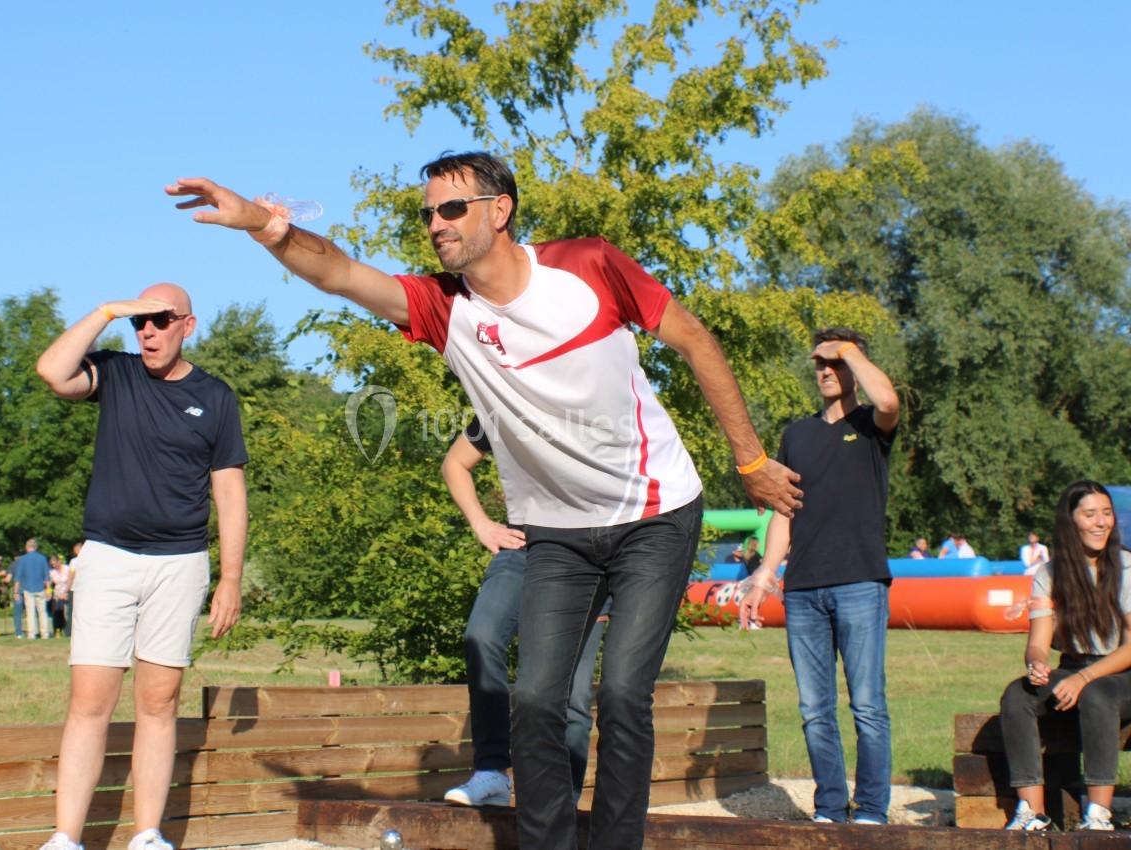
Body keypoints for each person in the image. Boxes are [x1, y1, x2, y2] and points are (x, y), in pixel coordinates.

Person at [167, 154, 801, 850]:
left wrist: (751, 460)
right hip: (557, 533)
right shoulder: (444, 308)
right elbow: (339, 273)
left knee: (623, 693)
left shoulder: (589, 265)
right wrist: (263, 226)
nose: (435, 225)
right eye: (428, 214)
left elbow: (695, 340)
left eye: (451, 209)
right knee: (535, 699)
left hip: (654, 513)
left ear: (500, 210)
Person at [34, 281, 248, 850]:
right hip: (108, 558)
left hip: (180, 563)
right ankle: (66, 838)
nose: (148, 332)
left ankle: (147, 835)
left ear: (188, 326)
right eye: (140, 322)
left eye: (161, 321)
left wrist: (230, 578)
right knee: (90, 702)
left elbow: (229, 491)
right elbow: (53, 372)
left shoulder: (215, 397)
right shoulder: (116, 372)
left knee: (158, 703)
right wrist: (107, 312)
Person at [739, 327, 900, 825]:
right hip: (804, 589)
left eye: (837, 363)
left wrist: (846, 349)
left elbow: (888, 399)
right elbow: (784, 512)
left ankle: (871, 810)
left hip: (860, 582)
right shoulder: (797, 435)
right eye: (820, 363)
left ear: (855, 365)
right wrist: (764, 576)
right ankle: (830, 807)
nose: (826, 370)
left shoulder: (871, 426)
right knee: (814, 710)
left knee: (867, 705)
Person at [441, 417, 605, 808]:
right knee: (481, 636)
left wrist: (614, 583)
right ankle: (492, 772)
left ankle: (561, 805)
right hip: (523, 549)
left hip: (589, 560)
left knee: (573, 692)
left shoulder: (594, 407)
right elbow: (455, 463)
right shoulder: (502, 404)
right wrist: (482, 524)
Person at [998, 481, 1131, 832]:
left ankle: (1099, 814)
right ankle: (1032, 812)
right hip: (1073, 667)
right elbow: (1038, 643)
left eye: (1106, 514)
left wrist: (1085, 679)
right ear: (1070, 521)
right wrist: (1036, 664)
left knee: (1098, 694)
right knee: (1017, 694)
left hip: (1122, 674)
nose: (1101, 522)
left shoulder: (1127, 567)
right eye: (1090, 514)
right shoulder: (1049, 573)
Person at [13, 538, 51, 640]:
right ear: (36, 547)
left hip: (28, 589)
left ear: (26, 547)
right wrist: (49, 590)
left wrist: (16, 592)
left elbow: (18, 577)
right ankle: (45, 634)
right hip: (40, 588)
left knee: (30, 613)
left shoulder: (22, 559)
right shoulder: (42, 558)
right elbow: (47, 576)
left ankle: (31, 634)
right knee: (42, 612)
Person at [49, 553, 71, 637]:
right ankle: (58, 630)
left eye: (55, 563)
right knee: (58, 614)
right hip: (57, 596)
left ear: (59, 561)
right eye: (52, 564)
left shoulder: (67, 569)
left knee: (67, 614)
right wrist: (49, 592)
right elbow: (49, 585)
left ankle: (68, 631)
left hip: (67, 594)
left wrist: (66, 592)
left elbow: (71, 580)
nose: (54, 566)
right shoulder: (52, 572)